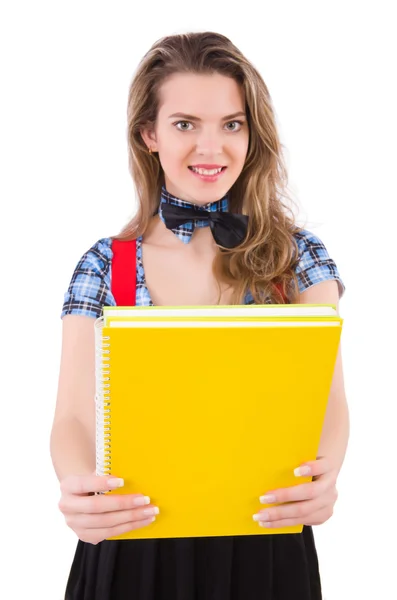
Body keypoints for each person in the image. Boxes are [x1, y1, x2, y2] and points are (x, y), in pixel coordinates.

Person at [50, 31, 349, 600]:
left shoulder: (297, 257)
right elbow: (73, 417)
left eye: (232, 124)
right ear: (150, 134)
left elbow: (328, 402)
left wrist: (326, 475)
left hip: (264, 540)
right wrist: (77, 488)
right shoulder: (104, 265)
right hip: (132, 541)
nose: (211, 148)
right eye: (186, 123)